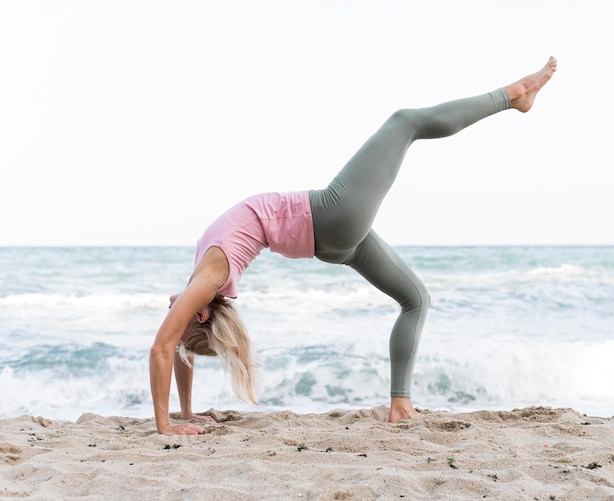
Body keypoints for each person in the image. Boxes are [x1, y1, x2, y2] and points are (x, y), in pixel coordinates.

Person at [150, 57, 558, 435]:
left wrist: (184, 413)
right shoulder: (209, 279)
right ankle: (513, 95)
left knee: (416, 299)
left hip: (330, 241)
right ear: (201, 313)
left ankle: (400, 403)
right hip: (329, 215)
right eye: (182, 318)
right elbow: (164, 348)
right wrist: (166, 426)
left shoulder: (201, 284)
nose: (170, 316)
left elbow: (177, 346)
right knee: (404, 123)